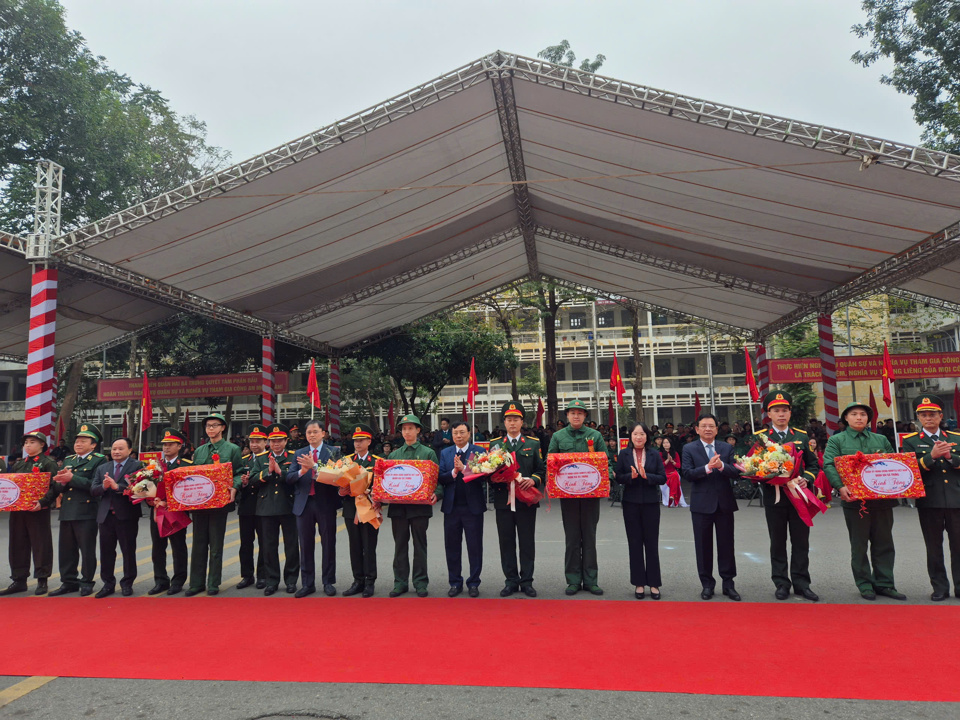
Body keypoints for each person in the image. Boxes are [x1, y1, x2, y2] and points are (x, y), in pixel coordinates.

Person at [823, 402, 903, 601]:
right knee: (859, 545)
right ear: (846, 419)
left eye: (863, 414)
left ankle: (885, 583)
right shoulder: (837, 441)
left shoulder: (881, 439)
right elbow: (829, 464)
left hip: (882, 500)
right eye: (854, 414)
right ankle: (864, 583)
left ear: (868, 419)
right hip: (855, 501)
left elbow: (894, 464)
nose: (859, 417)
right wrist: (840, 487)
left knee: (884, 543)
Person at [753, 391, 821, 601]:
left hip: (799, 496)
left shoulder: (801, 436)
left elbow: (813, 465)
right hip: (775, 498)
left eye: (784, 410)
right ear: (769, 414)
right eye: (776, 411)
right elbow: (753, 467)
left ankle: (802, 583)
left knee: (801, 541)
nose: (781, 414)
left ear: (790, 413)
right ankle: (781, 582)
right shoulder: (761, 438)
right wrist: (767, 476)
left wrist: (805, 479)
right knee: (778, 541)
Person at [547, 399, 615, 596]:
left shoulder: (595, 436)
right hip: (567, 496)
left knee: (590, 537)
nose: (576, 416)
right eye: (572, 413)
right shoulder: (558, 437)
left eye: (580, 413)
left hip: (590, 495)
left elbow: (605, 460)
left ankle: (591, 580)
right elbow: (550, 462)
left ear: (585, 416)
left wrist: (607, 476)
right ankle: (573, 580)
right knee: (572, 538)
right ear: (567, 416)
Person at [901, 395, 960, 601]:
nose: (928, 418)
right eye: (923, 415)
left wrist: (950, 457)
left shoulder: (956, 437)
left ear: (940, 416)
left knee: (959, 546)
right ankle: (940, 587)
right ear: (918, 418)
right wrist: (931, 456)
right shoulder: (910, 441)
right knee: (934, 547)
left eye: (932, 414)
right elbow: (908, 470)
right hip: (929, 500)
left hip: (956, 499)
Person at [682, 413, 742, 601]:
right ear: (697, 429)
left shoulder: (726, 447)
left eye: (711, 426)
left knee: (726, 545)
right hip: (701, 505)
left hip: (724, 504)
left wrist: (722, 465)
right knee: (703, 546)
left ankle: (728, 584)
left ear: (717, 429)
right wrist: (707, 468)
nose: (708, 429)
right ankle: (707, 584)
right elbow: (686, 473)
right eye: (704, 426)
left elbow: (737, 472)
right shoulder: (689, 448)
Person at [490, 401, 545, 597]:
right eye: (509, 419)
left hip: (526, 500)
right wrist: (493, 477)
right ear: (504, 422)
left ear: (522, 422)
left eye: (516, 419)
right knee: (506, 542)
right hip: (503, 501)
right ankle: (511, 581)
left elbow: (541, 469)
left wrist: (533, 480)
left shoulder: (533, 443)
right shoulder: (495, 444)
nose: (512, 423)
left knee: (527, 541)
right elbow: (488, 472)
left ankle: (527, 581)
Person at [186, 413, 242, 597]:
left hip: (219, 504)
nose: (211, 429)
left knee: (216, 545)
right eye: (208, 426)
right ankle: (195, 583)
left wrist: (234, 487)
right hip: (200, 504)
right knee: (198, 544)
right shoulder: (200, 451)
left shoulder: (232, 449)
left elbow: (239, 473)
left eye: (214, 425)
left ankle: (213, 583)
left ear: (223, 428)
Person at [49, 423, 108, 597]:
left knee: (86, 548)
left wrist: (72, 478)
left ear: (93, 444)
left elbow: (95, 486)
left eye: (84, 441)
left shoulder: (99, 460)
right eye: (77, 441)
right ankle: (68, 581)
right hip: (67, 509)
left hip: (86, 510)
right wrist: (61, 482)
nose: (78, 444)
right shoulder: (68, 460)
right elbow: (59, 488)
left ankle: (87, 581)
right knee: (66, 550)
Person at [386, 414, 441, 598]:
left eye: (411, 428)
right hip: (398, 509)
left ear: (418, 430)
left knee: (420, 545)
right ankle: (400, 582)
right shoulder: (394, 455)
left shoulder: (428, 453)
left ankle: (420, 583)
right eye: (404, 428)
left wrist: (437, 494)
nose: (407, 432)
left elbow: (437, 480)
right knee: (399, 546)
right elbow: (385, 481)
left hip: (420, 508)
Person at [286, 419, 341, 597]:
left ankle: (328, 581)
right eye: (309, 432)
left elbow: (338, 476)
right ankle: (308, 583)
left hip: (325, 502)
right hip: (304, 503)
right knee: (306, 544)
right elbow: (290, 478)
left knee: (328, 543)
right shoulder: (299, 453)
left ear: (323, 433)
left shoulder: (333, 452)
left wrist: (315, 466)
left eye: (315, 432)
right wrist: (303, 471)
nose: (311, 435)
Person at [0, 431, 58, 596]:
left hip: (37, 510)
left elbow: (54, 487)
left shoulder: (48, 463)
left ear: (42, 445)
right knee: (17, 544)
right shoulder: (19, 464)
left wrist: (43, 503)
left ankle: (42, 580)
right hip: (18, 511)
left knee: (41, 544)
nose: (28, 445)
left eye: (32, 442)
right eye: (26, 443)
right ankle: (19, 580)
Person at [615, 423, 667, 599]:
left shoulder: (654, 454)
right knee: (635, 543)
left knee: (651, 543)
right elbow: (618, 477)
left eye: (642, 434)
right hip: (630, 503)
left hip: (651, 503)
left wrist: (647, 476)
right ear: (630, 436)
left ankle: (654, 583)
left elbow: (662, 477)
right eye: (635, 434)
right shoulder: (624, 454)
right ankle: (638, 583)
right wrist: (631, 476)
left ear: (647, 437)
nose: (639, 437)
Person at [438, 420, 486, 597]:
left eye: (462, 432)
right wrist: (454, 472)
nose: (458, 436)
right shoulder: (445, 453)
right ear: (451, 435)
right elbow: (441, 477)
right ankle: (455, 582)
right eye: (455, 433)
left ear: (469, 434)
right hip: (451, 508)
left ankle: (474, 582)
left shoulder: (479, 451)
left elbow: (483, 476)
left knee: (474, 547)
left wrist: (465, 469)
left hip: (472, 508)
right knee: (452, 547)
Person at [90, 437, 143, 598]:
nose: (116, 452)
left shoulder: (137, 466)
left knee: (128, 551)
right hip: (106, 516)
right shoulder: (103, 467)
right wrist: (104, 487)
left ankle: (127, 583)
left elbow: (140, 489)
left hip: (126, 516)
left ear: (129, 450)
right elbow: (93, 490)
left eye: (120, 448)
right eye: (114, 449)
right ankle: (108, 583)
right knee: (106, 552)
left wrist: (117, 487)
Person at [255, 424, 300, 595]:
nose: (276, 444)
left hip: (288, 506)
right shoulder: (261, 458)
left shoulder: (294, 457)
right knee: (269, 546)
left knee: (291, 546)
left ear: (286, 441)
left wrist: (281, 472)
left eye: (279, 440)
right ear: (268, 442)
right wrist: (267, 472)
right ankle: (271, 580)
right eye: (273, 441)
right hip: (266, 507)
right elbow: (253, 479)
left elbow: (296, 478)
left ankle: (291, 580)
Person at [148, 428, 191, 595]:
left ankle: (178, 580)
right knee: (157, 547)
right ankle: (160, 580)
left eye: (170, 444)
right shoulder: (154, 465)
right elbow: (144, 486)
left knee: (178, 546)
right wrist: (151, 500)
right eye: (164, 444)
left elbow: (189, 490)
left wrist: (169, 501)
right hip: (157, 511)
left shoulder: (186, 465)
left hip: (176, 512)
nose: (166, 448)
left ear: (179, 446)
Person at [340, 424, 381, 598]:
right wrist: (341, 491)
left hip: (369, 509)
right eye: (355, 440)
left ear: (369, 441)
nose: (357, 443)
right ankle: (358, 581)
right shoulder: (346, 461)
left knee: (369, 546)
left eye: (361, 440)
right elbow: (339, 482)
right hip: (351, 509)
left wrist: (375, 495)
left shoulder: (378, 461)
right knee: (354, 546)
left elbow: (383, 485)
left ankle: (370, 581)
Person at [236, 424, 268, 590]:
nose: (254, 445)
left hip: (264, 506)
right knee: (246, 543)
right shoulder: (243, 461)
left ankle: (263, 576)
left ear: (265, 442)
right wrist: (240, 483)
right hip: (246, 506)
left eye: (258, 441)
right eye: (252, 441)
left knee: (264, 543)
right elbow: (236, 480)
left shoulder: (270, 460)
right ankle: (247, 576)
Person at [659, 436, 688, 508]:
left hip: (673, 472)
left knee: (675, 475)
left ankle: (672, 495)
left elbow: (678, 466)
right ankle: (673, 495)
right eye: (664, 443)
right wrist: (667, 461)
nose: (666, 444)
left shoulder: (675, 453)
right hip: (664, 474)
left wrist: (672, 461)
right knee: (674, 476)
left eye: (667, 443)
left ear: (670, 444)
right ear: (662, 444)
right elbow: (660, 466)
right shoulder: (659, 454)